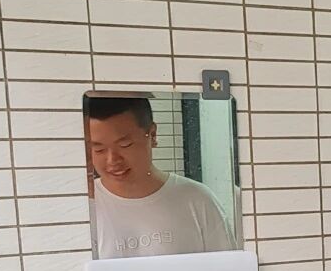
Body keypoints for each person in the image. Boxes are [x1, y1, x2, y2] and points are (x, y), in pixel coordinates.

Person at [86, 96, 236, 259]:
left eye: (125, 145)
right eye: (99, 150)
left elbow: (229, 270)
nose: (112, 160)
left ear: (152, 135)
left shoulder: (197, 200)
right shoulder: (84, 208)